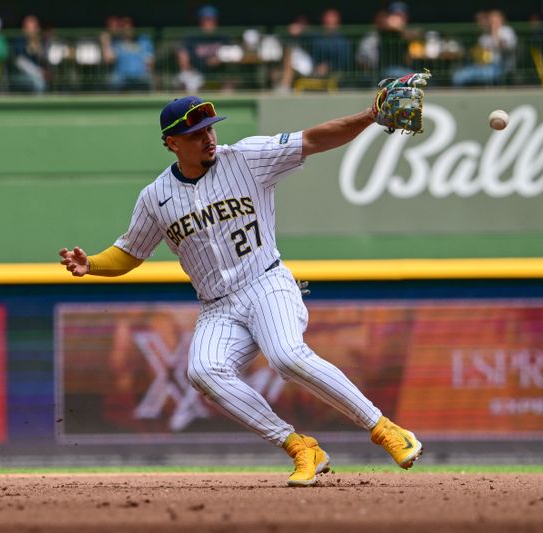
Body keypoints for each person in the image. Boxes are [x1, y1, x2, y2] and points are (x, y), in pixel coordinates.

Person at [59, 95, 424, 486]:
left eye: (209, 129)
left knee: (285, 355)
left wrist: (370, 116)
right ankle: (301, 447)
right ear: (172, 143)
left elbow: (315, 139)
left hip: (266, 282)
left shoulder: (247, 158)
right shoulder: (155, 197)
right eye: (195, 133)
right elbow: (130, 253)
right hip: (217, 306)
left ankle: (385, 428)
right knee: (203, 370)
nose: (207, 138)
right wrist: (92, 263)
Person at [452, 9, 517, 87]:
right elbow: (479, 54)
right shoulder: (484, 36)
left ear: (501, 19)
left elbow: (505, 48)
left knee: (488, 75)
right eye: (491, 20)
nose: (492, 22)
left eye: (495, 20)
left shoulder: (507, 31)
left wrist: (495, 32)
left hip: (500, 67)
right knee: (458, 76)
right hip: (481, 66)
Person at [176, 5, 232, 92]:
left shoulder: (223, 36)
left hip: (218, 74)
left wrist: (220, 58)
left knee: (229, 85)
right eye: (206, 20)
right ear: (201, 21)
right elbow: (182, 54)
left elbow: (233, 53)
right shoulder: (192, 37)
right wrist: (188, 69)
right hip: (196, 73)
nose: (209, 23)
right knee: (188, 84)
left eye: (211, 20)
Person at [100, 16, 154, 92]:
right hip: (121, 76)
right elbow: (108, 59)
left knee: (149, 79)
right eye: (124, 27)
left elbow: (149, 61)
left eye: (129, 26)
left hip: (139, 75)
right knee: (112, 80)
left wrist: (148, 72)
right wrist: (106, 42)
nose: (127, 29)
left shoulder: (143, 40)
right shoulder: (117, 43)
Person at [12, 15, 48, 94]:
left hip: (41, 75)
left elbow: (46, 60)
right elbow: (20, 62)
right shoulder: (19, 41)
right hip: (19, 76)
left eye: (35, 27)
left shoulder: (42, 41)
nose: (33, 30)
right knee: (38, 82)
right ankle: (38, 105)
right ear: (24, 29)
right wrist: (38, 72)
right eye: (29, 28)